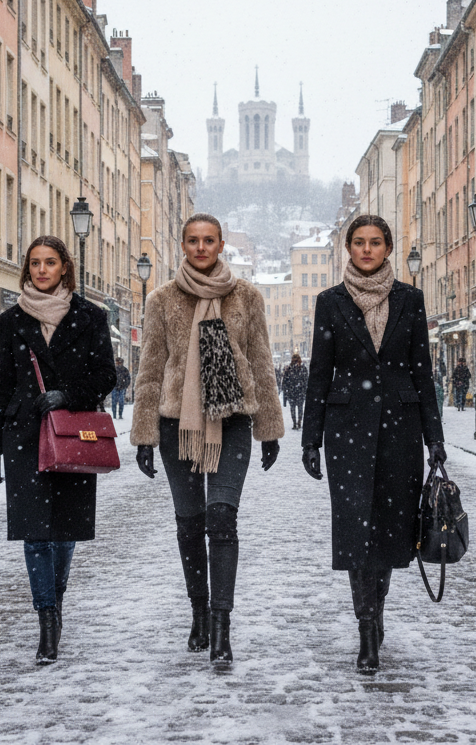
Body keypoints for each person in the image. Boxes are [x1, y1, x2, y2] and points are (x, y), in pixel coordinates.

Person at [132, 213, 283, 666]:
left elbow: (260, 363)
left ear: (221, 246)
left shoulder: (247, 297)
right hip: (175, 422)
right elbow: (151, 370)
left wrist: (270, 429)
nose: (201, 248)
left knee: (222, 518)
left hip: (232, 420)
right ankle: (198, 610)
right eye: (193, 240)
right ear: (182, 245)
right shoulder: (161, 300)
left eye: (209, 241)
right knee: (189, 523)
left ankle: (221, 624)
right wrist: (143, 434)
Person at [301, 214, 446, 672]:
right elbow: (319, 374)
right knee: (354, 530)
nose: (367, 250)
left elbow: (422, 373)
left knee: (389, 530)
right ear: (349, 248)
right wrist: (310, 438)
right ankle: (366, 628)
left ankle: (377, 606)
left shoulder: (410, 299)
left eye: (376, 242)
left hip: (401, 431)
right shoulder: (331, 302)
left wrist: (434, 438)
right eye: (359, 242)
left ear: (388, 248)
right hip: (346, 431)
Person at [0, 236, 117, 665]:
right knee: (35, 532)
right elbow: (2, 382)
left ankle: (54, 599)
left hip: (72, 432)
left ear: (64, 268)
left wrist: (67, 395)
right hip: (22, 432)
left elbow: (106, 376)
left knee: (65, 532)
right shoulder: (13, 318)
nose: (41, 270)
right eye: (35, 263)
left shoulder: (91, 316)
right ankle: (47, 619)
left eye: (50, 263)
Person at [282, 353, 308, 430]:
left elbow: (285, 383)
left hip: (292, 392)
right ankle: (298, 423)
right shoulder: (302, 368)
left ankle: (296, 423)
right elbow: (306, 381)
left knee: (293, 408)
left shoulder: (289, 369)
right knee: (299, 408)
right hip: (298, 392)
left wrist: (286, 393)